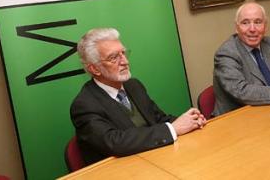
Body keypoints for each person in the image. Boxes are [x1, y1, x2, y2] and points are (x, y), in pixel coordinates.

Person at [70, 28, 206, 165]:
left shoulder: (133, 85)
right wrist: (173, 129)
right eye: (113, 57)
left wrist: (190, 121)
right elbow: (115, 142)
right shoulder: (84, 105)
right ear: (94, 69)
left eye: (123, 53)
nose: (124, 62)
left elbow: (158, 119)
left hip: (156, 159)